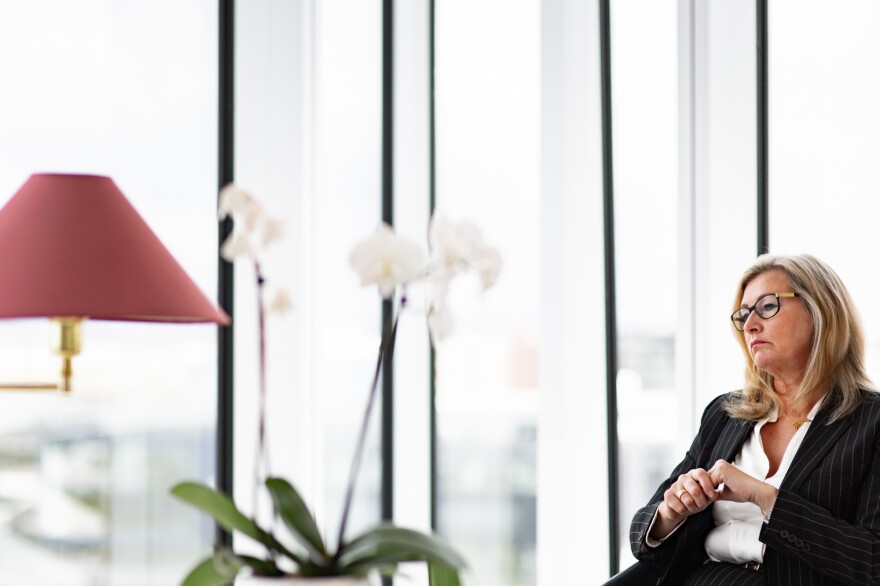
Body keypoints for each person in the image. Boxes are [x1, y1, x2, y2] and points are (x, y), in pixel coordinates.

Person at [606, 254, 880, 585]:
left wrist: (766, 498)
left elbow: (872, 562)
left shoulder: (870, 421)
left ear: (820, 312)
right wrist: (672, 511)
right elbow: (645, 536)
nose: (750, 324)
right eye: (743, 314)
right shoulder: (725, 414)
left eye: (767, 307)